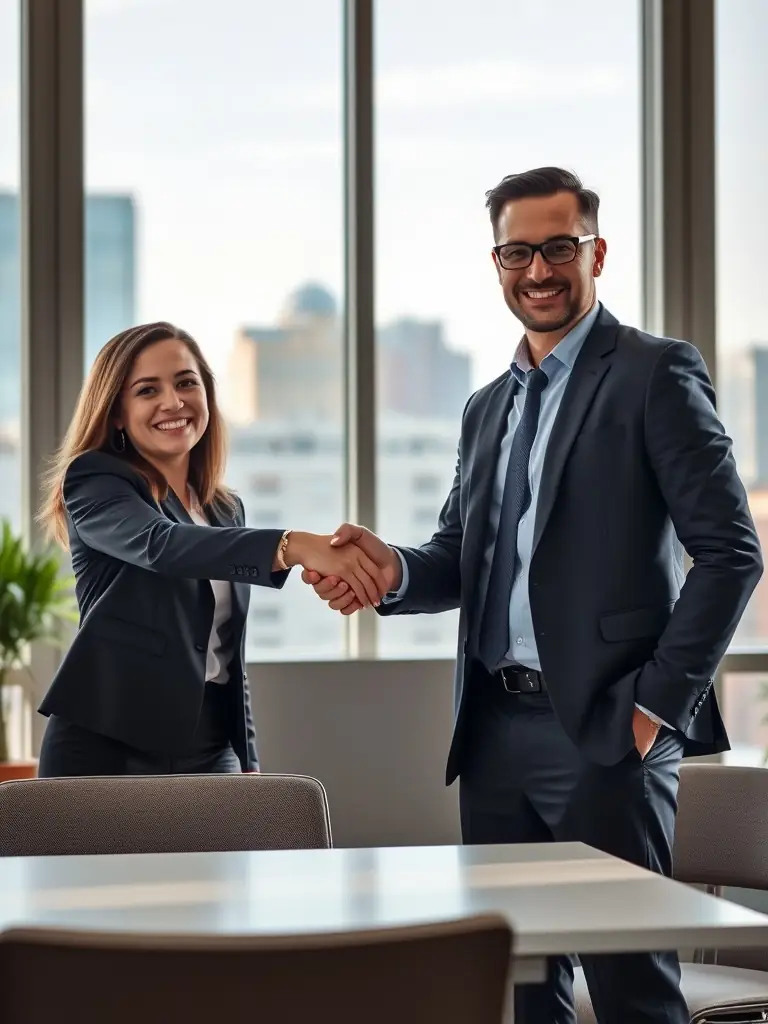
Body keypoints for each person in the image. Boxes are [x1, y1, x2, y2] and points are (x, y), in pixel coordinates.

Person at [302, 167, 763, 1023]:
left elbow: (732, 554)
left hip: (608, 733)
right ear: (497, 261)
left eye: (560, 248)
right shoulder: (487, 408)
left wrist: (655, 707)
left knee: (631, 995)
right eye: (520, 252)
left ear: (598, 251)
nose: (540, 270)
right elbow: (459, 558)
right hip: (494, 734)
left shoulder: (656, 374)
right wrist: (387, 570)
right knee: (519, 988)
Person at [37, 321, 387, 778]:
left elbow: (225, 649)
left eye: (186, 382)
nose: (172, 402)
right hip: (106, 744)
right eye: (147, 390)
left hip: (210, 744)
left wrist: (249, 760)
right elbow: (160, 545)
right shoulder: (96, 480)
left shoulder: (225, 508)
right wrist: (293, 545)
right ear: (117, 412)